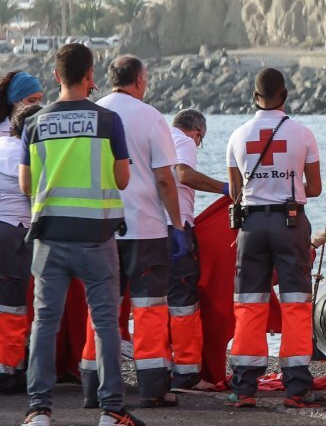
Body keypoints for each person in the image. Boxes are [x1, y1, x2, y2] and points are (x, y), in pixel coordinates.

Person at [20, 43, 143, 426]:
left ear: (56, 76)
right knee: (106, 323)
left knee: (44, 323)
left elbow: (27, 185)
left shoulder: (34, 123)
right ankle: (111, 411)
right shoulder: (108, 122)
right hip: (96, 238)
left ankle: (39, 410)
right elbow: (123, 179)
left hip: (50, 237)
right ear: (90, 76)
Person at [81, 56, 184, 409]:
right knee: (149, 309)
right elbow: (164, 178)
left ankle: (93, 386)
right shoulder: (151, 117)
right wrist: (178, 224)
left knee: (102, 308)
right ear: (139, 79)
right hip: (145, 228)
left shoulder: (92, 113)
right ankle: (153, 387)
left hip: (100, 226)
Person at [225, 68, 324, 409]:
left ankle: (243, 389)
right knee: (295, 305)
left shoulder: (237, 136)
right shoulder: (302, 134)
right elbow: (314, 188)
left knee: (250, 306)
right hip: (290, 223)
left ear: (255, 97)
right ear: (284, 95)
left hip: (251, 227)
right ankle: (296, 388)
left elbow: (236, 192)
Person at [167, 109, 228, 391]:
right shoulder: (184, 141)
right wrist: (225, 188)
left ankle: (159, 366)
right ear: (196, 133)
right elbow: (184, 175)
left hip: (147, 228)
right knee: (183, 299)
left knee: (152, 301)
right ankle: (187, 373)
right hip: (175, 228)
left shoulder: (157, 138)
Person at [0, 104, 40, 395]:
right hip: (13, 231)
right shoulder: (23, 154)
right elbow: (38, 190)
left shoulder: (2, 144)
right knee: (12, 303)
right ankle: (8, 370)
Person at [0, 71, 43, 135]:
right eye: (32, 100)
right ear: (15, 100)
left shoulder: (43, 128)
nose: (38, 104)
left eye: (40, 99)